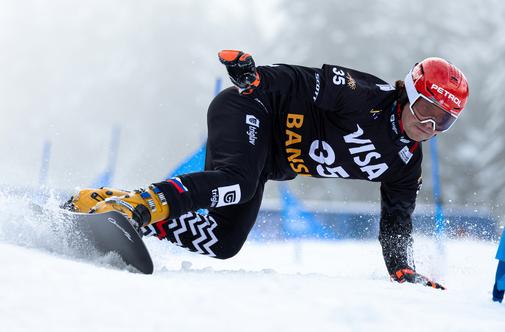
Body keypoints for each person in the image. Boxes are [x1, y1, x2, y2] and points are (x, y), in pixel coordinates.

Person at [66, 50, 469, 289]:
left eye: (444, 122)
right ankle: (134, 209)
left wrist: (404, 271)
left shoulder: (405, 165)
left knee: (224, 241)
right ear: (410, 94)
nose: (429, 126)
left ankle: (100, 204)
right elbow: (300, 80)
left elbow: (396, 224)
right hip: (252, 107)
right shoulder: (366, 96)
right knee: (236, 184)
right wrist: (256, 80)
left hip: (266, 159)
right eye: (426, 111)